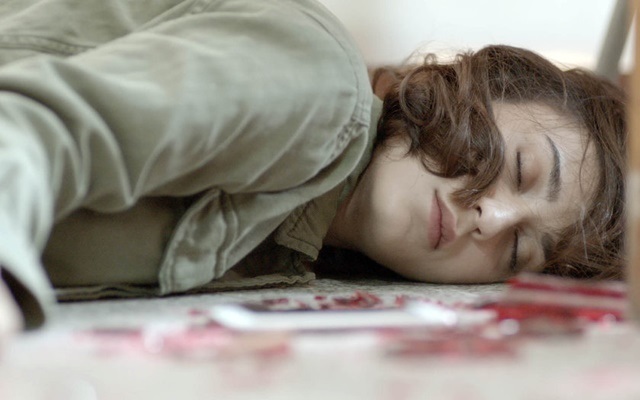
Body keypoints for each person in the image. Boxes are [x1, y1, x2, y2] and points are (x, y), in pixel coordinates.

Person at [0, 0, 626, 343]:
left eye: (519, 249)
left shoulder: (293, 255)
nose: (492, 218)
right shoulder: (320, 85)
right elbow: (31, 129)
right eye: (521, 168)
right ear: (469, 91)